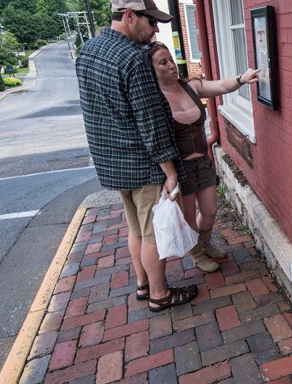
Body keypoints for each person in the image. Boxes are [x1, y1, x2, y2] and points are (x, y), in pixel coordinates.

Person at [75, 0, 197, 312]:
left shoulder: (88, 50)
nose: (156, 29)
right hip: (143, 163)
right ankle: (160, 294)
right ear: (129, 15)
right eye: (151, 21)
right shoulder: (134, 58)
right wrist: (170, 172)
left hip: (112, 162)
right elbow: (150, 121)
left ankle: (143, 284)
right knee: (152, 232)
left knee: (136, 228)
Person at [145, 42, 261, 272]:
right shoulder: (154, 98)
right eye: (163, 62)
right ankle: (197, 255)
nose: (171, 66)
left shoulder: (191, 87)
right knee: (188, 216)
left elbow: (221, 86)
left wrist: (242, 78)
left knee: (209, 210)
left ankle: (204, 244)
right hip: (180, 168)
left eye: (170, 60)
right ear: (152, 69)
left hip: (202, 162)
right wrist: (169, 174)